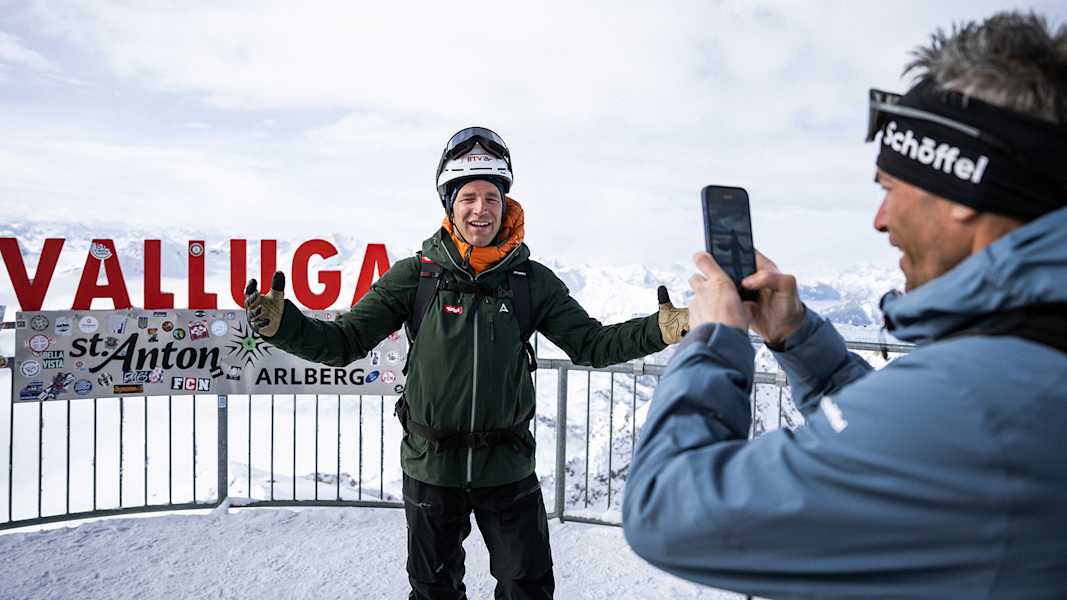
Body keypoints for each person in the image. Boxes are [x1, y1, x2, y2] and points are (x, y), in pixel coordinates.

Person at [623, 11, 1067, 599]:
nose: (879, 220)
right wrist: (799, 340)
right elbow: (913, 449)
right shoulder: (1029, 358)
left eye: (889, 188)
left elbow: (667, 509)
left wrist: (713, 340)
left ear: (964, 187)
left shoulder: (983, 401)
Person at [245, 126, 690, 600]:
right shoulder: (416, 277)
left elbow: (591, 343)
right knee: (434, 589)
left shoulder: (530, 281)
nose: (482, 209)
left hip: (508, 466)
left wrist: (661, 329)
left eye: (492, 197)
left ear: (506, 205)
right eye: (469, 197)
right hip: (432, 468)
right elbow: (345, 341)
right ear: (450, 205)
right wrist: (282, 325)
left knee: (528, 586)